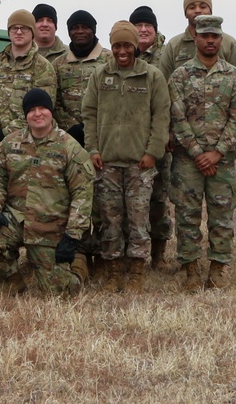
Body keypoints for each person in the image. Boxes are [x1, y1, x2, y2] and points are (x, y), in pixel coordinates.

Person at [0, 89, 93, 296]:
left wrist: (72, 235)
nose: (38, 114)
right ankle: (13, 281)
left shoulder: (70, 148)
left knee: (60, 293)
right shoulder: (9, 144)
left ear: (51, 111)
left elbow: (82, 194)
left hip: (50, 226)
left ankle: (79, 266)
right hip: (18, 218)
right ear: (25, 115)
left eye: (42, 109)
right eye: (32, 110)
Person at [82, 21, 169, 293]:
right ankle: (112, 269)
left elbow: (161, 116)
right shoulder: (99, 76)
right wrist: (93, 150)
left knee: (138, 220)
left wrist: (153, 152)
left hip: (139, 164)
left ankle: (135, 271)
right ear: (112, 46)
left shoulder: (152, 76)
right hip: (106, 163)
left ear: (135, 47)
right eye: (117, 45)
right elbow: (89, 114)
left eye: (127, 45)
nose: (122, 51)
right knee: (110, 220)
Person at [168, 16, 236, 291]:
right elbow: (176, 117)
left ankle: (218, 268)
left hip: (222, 161)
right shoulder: (179, 76)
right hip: (187, 161)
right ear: (196, 38)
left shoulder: (234, 76)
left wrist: (217, 153)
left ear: (221, 40)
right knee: (187, 215)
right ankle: (190, 268)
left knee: (222, 215)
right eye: (205, 36)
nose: (210, 41)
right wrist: (196, 152)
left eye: (215, 36)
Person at [131, 5, 173, 270]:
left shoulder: (166, 56)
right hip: (129, 140)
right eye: (138, 25)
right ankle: (131, 254)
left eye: (148, 25)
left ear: (155, 30)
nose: (143, 29)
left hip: (159, 139)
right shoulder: (122, 53)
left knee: (158, 198)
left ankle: (159, 254)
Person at [0, 9, 57, 145]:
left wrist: (7, 133)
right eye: (14, 28)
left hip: (28, 143)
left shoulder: (43, 67)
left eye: (24, 28)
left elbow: (43, 108)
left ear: (32, 32)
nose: (19, 32)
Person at [158, 0, 236, 83]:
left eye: (203, 7)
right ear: (186, 14)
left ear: (210, 11)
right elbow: (162, 82)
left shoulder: (229, 43)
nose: (197, 10)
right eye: (192, 7)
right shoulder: (174, 45)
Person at [53, 10, 112, 145]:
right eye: (75, 28)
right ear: (69, 32)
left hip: (103, 135)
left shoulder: (110, 60)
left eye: (85, 27)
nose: (80, 31)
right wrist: (70, 126)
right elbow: (54, 99)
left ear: (93, 30)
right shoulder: (58, 64)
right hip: (69, 137)